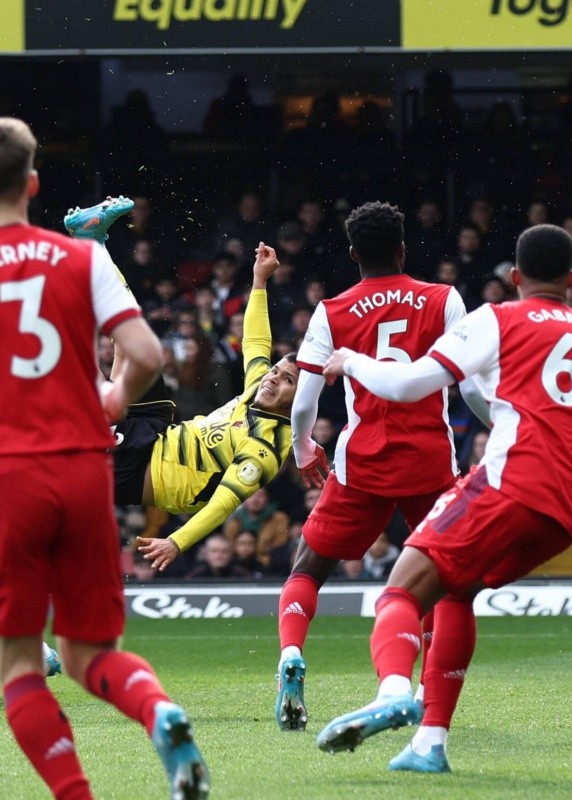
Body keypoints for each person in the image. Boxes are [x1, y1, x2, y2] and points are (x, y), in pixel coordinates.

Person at [314, 223, 572, 772]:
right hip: (571, 512)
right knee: (454, 594)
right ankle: (429, 744)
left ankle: (392, 692)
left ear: (514, 277)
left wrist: (351, 362)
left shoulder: (496, 317)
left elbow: (410, 384)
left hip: (510, 481)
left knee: (400, 593)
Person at [0, 118, 209, 799]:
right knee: (92, 655)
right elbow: (148, 356)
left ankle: (75, 794)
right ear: (32, 184)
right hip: (84, 472)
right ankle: (159, 711)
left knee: (20, 666)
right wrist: (114, 400)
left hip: (10, 478)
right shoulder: (82, 260)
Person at [275, 201, 491, 732]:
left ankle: (290, 654)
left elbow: (305, 401)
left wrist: (304, 448)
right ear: (403, 248)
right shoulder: (444, 299)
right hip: (430, 464)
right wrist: (500, 428)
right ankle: (426, 689)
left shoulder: (332, 309)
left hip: (361, 465)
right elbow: (471, 388)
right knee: (441, 581)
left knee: (308, 568)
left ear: (352, 254)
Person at [63, 197, 297, 572]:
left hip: (144, 472)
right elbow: (256, 343)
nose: (272, 378)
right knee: (134, 335)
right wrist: (259, 281)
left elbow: (223, 503)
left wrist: (177, 540)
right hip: (161, 430)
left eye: (287, 380)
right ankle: (92, 244)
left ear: (299, 399)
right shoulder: (258, 386)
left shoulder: (267, 448)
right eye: (276, 371)